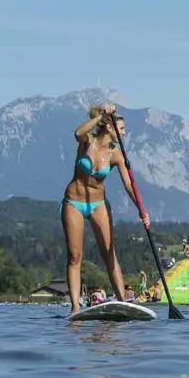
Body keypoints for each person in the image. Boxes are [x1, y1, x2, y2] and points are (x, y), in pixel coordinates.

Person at [62, 104, 150, 315]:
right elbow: (77, 132)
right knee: (75, 256)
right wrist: (101, 115)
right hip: (74, 202)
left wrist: (142, 210)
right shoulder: (87, 141)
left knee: (109, 254)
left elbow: (129, 184)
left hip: (98, 204)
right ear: (109, 127)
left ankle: (122, 301)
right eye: (121, 128)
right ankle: (75, 307)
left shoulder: (116, 154)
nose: (124, 132)